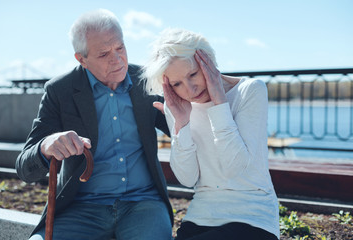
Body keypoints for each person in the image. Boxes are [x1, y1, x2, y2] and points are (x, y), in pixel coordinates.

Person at [16, 9, 173, 240]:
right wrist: (45, 146)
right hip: (81, 209)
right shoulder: (60, 91)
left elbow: (186, 129)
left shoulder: (147, 81)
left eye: (120, 48)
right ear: (82, 59)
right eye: (104, 54)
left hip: (144, 205)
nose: (117, 59)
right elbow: (24, 168)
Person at [141, 28, 280, 240]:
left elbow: (235, 167)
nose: (190, 89)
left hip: (253, 216)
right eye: (177, 84)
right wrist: (182, 123)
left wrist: (219, 103)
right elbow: (187, 179)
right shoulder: (178, 106)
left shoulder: (250, 91)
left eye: (193, 74)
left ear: (209, 62)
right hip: (202, 215)